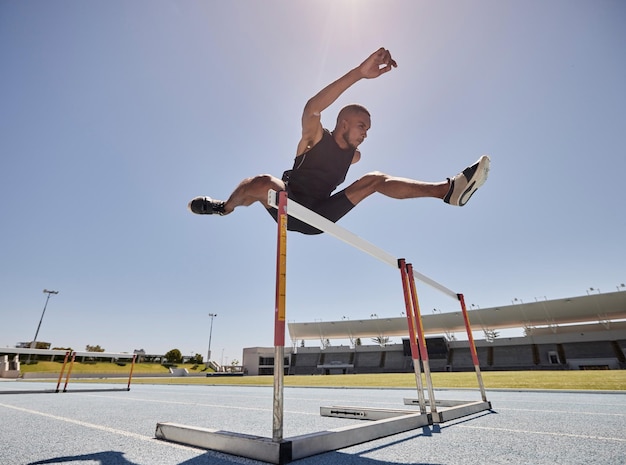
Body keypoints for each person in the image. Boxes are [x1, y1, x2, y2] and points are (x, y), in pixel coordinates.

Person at [188, 48, 490, 235]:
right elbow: (312, 108)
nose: (365, 134)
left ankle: (447, 191)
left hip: (320, 215)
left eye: (368, 129)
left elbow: (371, 176)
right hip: (290, 205)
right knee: (259, 182)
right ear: (343, 123)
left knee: (374, 179)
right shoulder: (314, 139)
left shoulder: (353, 156)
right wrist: (359, 73)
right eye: (361, 126)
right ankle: (223, 208)